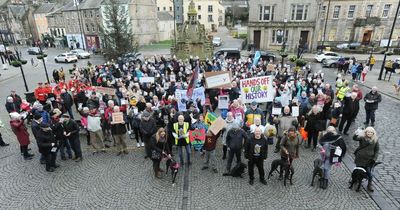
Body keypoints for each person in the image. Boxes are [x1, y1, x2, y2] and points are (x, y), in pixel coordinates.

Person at [353, 127, 379, 192]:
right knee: (357, 171)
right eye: (368, 132)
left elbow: (377, 150)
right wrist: (356, 133)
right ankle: (355, 180)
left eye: (371, 132)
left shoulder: (375, 140)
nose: (369, 133)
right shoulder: (362, 138)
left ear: (373, 133)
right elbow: (355, 138)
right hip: (360, 158)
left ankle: (369, 184)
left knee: (369, 173)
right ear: (366, 132)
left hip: (369, 160)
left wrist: (374, 159)